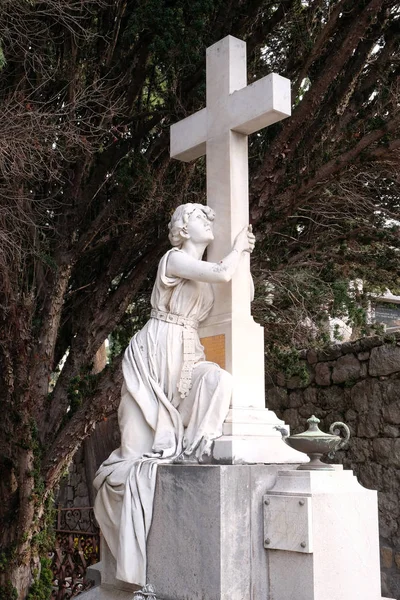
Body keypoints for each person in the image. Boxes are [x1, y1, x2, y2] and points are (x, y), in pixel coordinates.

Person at [94, 203, 255, 586]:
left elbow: (240, 290)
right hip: (151, 357)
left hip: (187, 352)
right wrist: (239, 248)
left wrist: (243, 260)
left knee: (220, 382)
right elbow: (220, 271)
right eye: (200, 218)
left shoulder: (207, 273)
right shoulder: (174, 259)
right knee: (134, 456)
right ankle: (124, 553)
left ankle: (194, 451)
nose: (208, 221)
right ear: (182, 230)